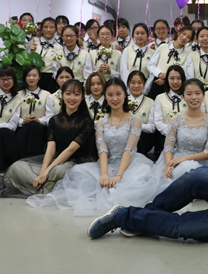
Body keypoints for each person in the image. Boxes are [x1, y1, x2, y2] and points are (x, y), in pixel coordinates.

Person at [26, 78, 155, 216]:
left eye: (118, 94)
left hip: (130, 164)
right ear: (105, 96)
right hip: (106, 164)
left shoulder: (135, 120)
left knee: (135, 182)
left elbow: (129, 150)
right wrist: (104, 174)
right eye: (110, 95)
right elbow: (102, 150)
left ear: (125, 95)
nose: (114, 99)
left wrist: (118, 175)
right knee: (79, 173)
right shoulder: (100, 122)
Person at [0, 79, 98, 198]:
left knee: (58, 172)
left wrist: (47, 171)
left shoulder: (87, 122)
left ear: (82, 98)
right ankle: (46, 185)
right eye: (68, 94)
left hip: (77, 161)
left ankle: (43, 185)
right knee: (16, 167)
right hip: (57, 158)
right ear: (62, 96)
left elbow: (70, 150)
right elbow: (51, 148)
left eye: (76, 94)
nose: (72, 98)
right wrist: (42, 172)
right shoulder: (54, 120)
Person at [152, 79, 208, 194]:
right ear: (183, 96)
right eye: (189, 94)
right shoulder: (175, 120)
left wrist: (183, 159)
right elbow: (168, 147)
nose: (194, 97)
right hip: (176, 162)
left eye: (197, 93)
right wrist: (169, 165)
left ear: (203, 95)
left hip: (202, 164)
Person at [150, 66, 188, 160]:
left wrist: (183, 133)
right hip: (166, 136)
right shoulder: (160, 98)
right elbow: (158, 122)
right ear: (167, 80)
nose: (175, 82)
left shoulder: (188, 97)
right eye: (172, 78)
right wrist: (171, 133)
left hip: (186, 136)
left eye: (178, 78)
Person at [16, 65, 54, 158]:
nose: (31, 78)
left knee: (34, 126)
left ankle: (35, 157)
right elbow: (13, 116)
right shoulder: (18, 95)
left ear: (39, 77)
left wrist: (39, 120)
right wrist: (22, 121)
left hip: (39, 130)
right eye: (28, 75)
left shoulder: (47, 95)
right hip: (23, 129)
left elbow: (50, 116)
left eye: (34, 75)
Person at [147, 25, 193, 99]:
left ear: (189, 41)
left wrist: (166, 79)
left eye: (188, 37)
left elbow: (188, 75)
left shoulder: (187, 56)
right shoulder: (163, 47)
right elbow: (151, 65)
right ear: (179, 33)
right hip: (157, 84)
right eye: (184, 34)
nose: (184, 38)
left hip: (174, 88)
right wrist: (160, 74)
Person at [126, 71, 156, 157]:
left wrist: (136, 126)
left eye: (139, 83)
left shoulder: (151, 102)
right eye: (133, 83)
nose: (136, 86)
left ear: (144, 84)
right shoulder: (122, 101)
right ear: (128, 84)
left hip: (143, 138)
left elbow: (152, 127)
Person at [29, 17, 63, 93]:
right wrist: (30, 51)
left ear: (56, 30)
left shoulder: (59, 47)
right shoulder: (33, 41)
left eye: (51, 27)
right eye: (45, 27)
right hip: (35, 77)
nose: (48, 30)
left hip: (51, 79)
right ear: (41, 29)